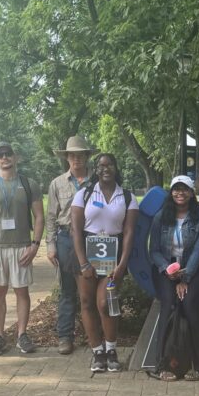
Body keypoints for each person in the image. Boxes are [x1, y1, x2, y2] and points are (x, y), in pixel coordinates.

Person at [71, 153, 138, 372]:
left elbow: (129, 232)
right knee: (87, 302)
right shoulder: (84, 194)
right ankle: (97, 352)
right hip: (87, 255)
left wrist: (122, 265)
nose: (105, 168)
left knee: (106, 303)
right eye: (101, 165)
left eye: (110, 164)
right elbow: (76, 230)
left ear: (116, 168)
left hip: (114, 256)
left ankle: (111, 349)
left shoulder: (127, 197)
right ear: (95, 170)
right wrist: (83, 263)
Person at [0, 142, 45, 355]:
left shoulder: (28, 183)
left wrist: (35, 245)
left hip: (22, 246)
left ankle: (22, 335)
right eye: (0, 155)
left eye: (8, 154)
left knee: (22, 291)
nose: (4, 158)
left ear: (16, 157)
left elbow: (39, 216)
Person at [149, 175, 199, 380]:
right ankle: (162, 364)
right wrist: (168, 270)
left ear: (191, 192)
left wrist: (185, 278)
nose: (180, 193)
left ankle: (198, 365)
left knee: (190, 303)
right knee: (168, 303)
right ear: (171, 192)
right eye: (176, 189)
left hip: (195, 268)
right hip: (165, 268)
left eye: (184, 189)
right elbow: (154, 251)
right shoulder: (161, 216)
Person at [45, 136, 94, 355]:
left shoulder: (97, 181)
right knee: (67, 289)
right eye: (72, 155)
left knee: (91, 287)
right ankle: (65, 336)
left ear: (87, 157)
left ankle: (93, 334)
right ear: (66, 158)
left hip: (92, 238)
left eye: (81, 155)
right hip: (65, 238)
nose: (77, 159)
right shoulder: (57, 183)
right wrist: (50, 244)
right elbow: (51, 216)